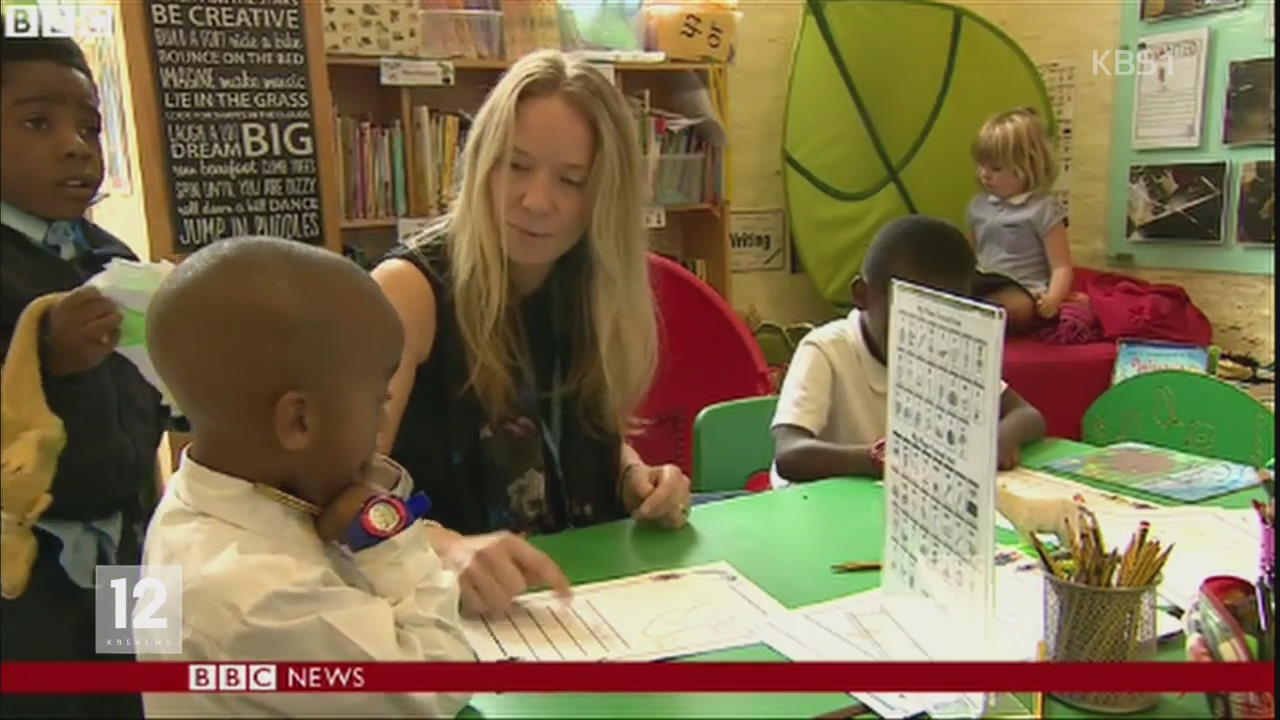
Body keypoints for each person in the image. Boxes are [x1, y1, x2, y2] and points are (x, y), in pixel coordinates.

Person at [372, 49, 692, 620]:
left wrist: (630, 475)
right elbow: (340, 496)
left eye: (571, 181)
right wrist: (442, 546)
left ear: (604, 197)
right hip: (452, 626)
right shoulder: (408, 292)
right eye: (515, 166)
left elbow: (572, 432)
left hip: (587, 606)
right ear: (479, 162)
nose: (538, 201)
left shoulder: (591, 282)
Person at [140, 237, 474, 717]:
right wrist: (390, 541)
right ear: (301, 421)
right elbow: (441, 680)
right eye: (378, 400)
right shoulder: (256, 598)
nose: (381, 423)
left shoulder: (183, 507)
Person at [0, 31, 167, 719]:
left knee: (150, 695)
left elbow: (143, 391)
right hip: (34, 569)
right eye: (38, 122)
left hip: (135, 539)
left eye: (89, 125)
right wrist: (52, 363)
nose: (75, 144)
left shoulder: (110, 254)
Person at [771, 216, 1046, 485]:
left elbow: (1027, 414)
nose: (922, 339)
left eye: (941, 320)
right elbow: (790, 454)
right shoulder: (826, 350)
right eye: (905, 319)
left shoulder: (948, 350)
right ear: (862, 295)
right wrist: (884, 458)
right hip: (817, 511)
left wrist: (996, 441)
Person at [967, 107, 1074, 334]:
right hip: (983, 283)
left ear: (1027, 167)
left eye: (996, 168)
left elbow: (1062, 266)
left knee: (1016, 308)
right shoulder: (978, 205)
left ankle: (981, 318)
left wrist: (1053, 299)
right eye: (981, 165)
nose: (984, 174)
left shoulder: (1043, 208)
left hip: (1023, 290)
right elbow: (969, 253)